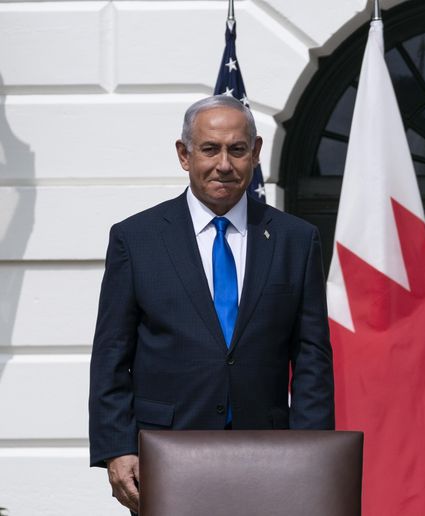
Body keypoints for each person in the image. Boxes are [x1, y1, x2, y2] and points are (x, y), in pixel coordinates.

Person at [88, 95, 335, 512]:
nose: (224, 164)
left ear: (255, 154)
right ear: (184, 155)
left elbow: (311, 355)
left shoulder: (295, 239)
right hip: (165, 454)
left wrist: (309, 450)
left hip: (270, 458)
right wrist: (117, 448)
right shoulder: (137, 239)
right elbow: (112, 353)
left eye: (237, 150)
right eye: (209, 149)